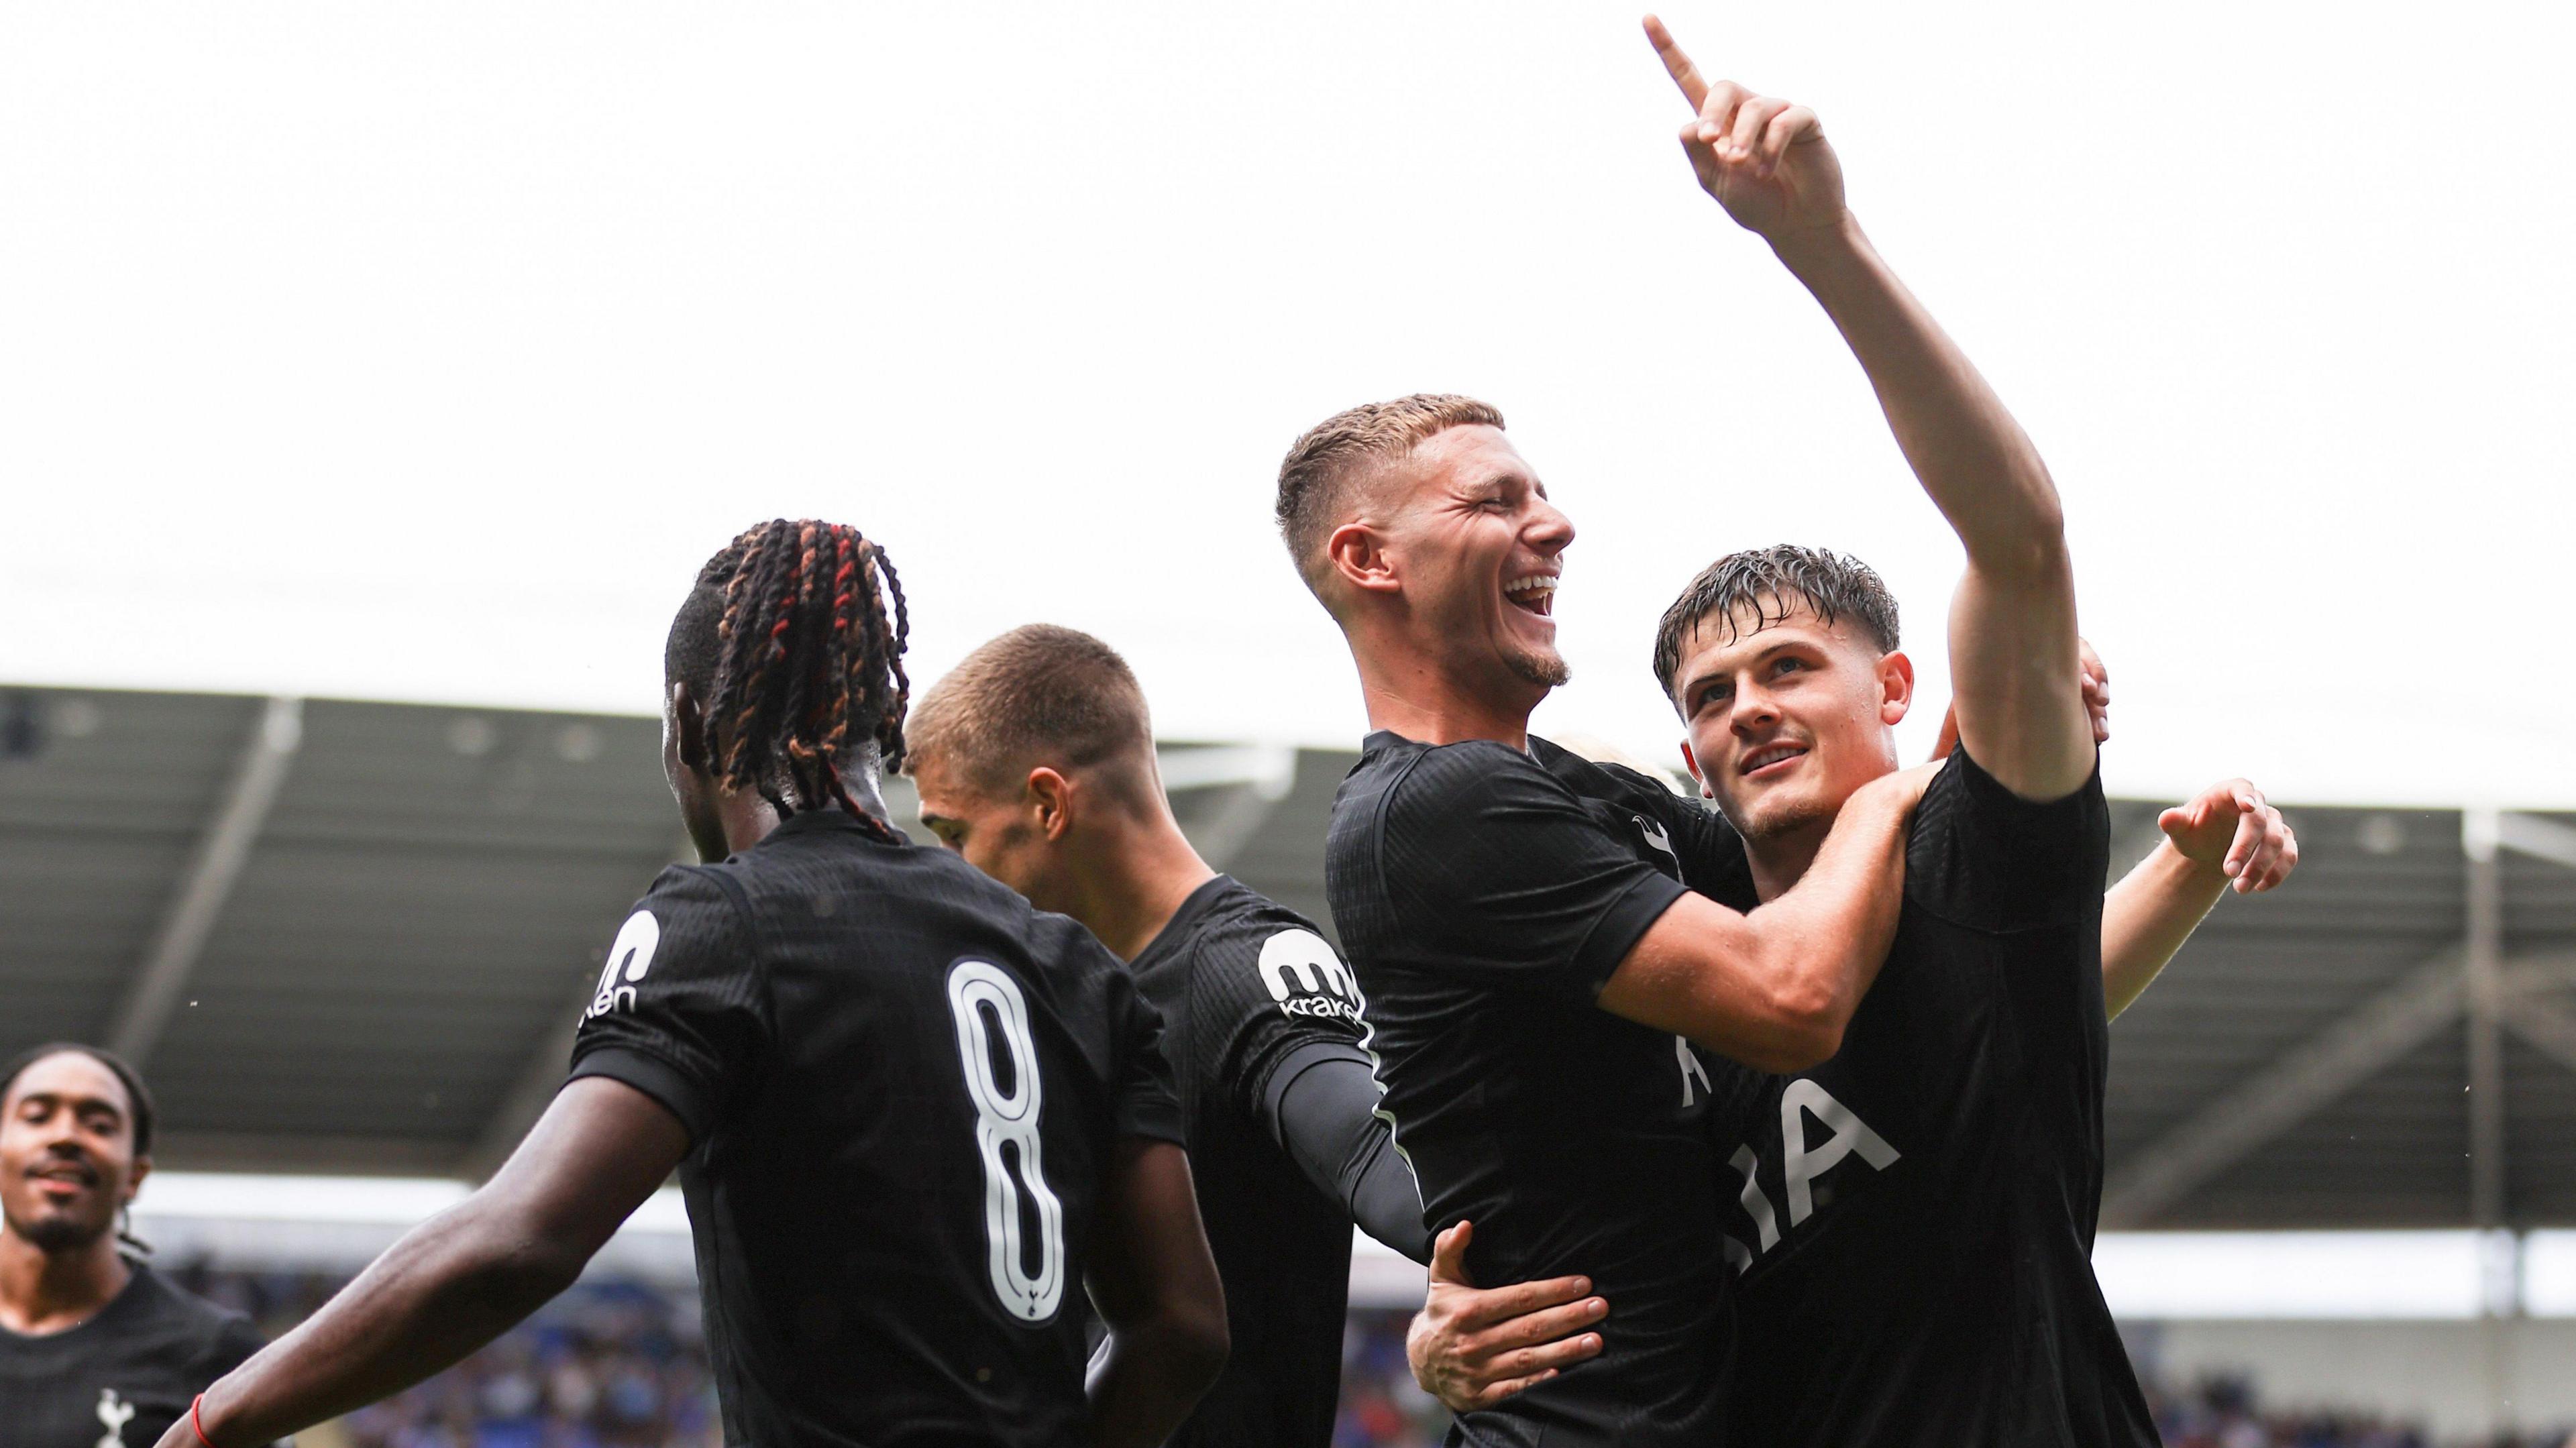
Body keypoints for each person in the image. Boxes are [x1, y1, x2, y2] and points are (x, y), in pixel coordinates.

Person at [1404, 19, 2299, 1446]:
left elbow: (2018, 537)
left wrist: (1820, 243)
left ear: (1894, 691)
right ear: (1684, 751)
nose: (1746, 705)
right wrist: (1456, 1336)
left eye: (1785, 667)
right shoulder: (1696, 971)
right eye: (1708, 695)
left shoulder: (1975, 845)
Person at [156, 520, 1227, 1448]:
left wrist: (219, 1417)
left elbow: (518, 1240)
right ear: (879, 720)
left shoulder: (724, 920)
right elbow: (1182, 1326)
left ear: (690, 723)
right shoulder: (1076, 964)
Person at [905, 623, 1428, 1448]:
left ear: (1048, 803)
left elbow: (1387, 1158)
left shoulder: (1247, 964)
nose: (951, 872)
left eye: (954, 834)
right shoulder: (1052, 1002)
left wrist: (1484, 1281)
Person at [0, 1045, 268, 1448]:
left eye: (100, 1125)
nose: (65, 1136)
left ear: (135, 1176)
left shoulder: (215, 1354)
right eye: (37, 1116)